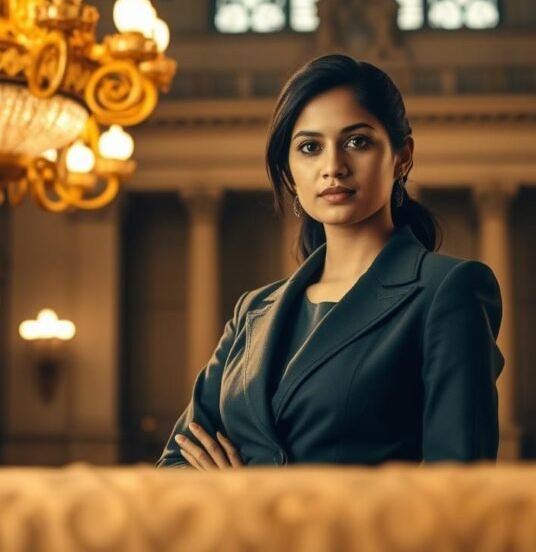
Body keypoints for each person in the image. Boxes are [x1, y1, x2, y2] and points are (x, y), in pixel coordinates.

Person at [156, 54, 504, 469]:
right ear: (289, 171)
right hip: (235, 537)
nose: (333, 167)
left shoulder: (448, 290)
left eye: (357, 141)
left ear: (402, 157)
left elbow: (457, 488)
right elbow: (177, 462)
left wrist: (250, 497)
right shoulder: (252, 310)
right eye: (309, 147)